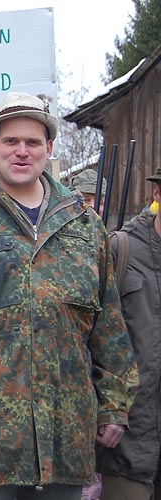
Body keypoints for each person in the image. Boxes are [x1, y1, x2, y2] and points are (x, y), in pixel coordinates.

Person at [0, 91, 139, 500]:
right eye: (11, 141)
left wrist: (114, 404)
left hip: (66, 435)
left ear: (48, 148)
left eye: (32, 142)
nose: (21, 151)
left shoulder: (83, 223)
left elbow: (108, 325)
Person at [96, 166, 161, 500]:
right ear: (157, 194)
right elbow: (94, 338)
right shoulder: (121, 249)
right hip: (129, 439)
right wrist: (109, 409)